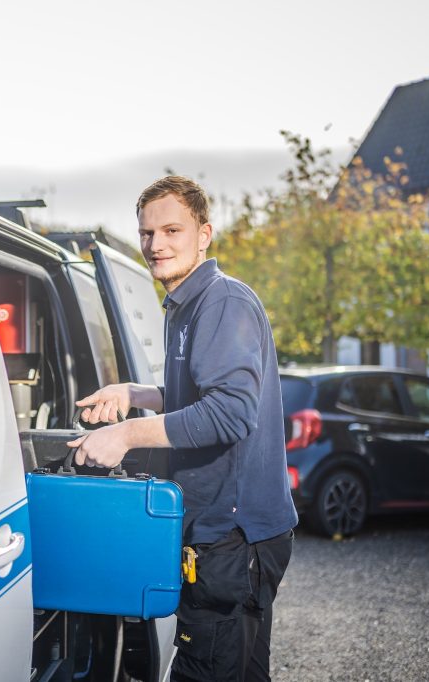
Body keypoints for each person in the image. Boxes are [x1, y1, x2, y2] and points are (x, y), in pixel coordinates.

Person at [67, 176, 297, 681]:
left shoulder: (222, 300)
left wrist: (125, 435)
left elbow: (232, 412)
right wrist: (137, 394)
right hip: (233, 535)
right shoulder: (183, 306)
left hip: (234, 539)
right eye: (147, 233)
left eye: (172, 230)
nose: (156, 244)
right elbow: (205, 394)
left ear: (204, 234)